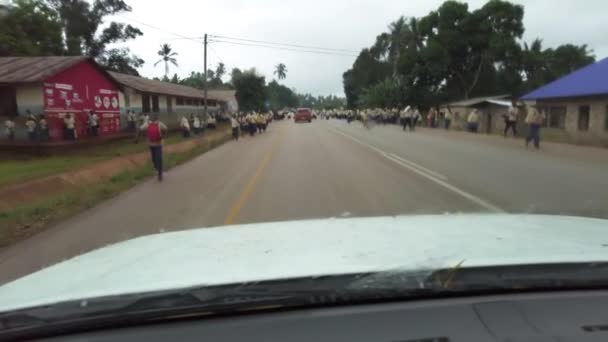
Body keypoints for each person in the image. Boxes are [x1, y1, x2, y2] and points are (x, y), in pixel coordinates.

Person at [142, 114, 168, 182]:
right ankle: (159, 172)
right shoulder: (159, 123)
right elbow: (166, 128)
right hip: (158, 143)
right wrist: (163, 136)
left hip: (151, 144)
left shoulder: (147, 123)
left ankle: (158, 170)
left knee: (154, 158)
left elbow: (140, 129)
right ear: (157, 118)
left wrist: (145, 135)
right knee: (158, 158)